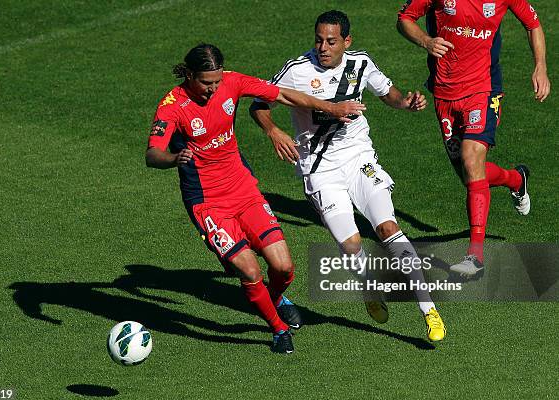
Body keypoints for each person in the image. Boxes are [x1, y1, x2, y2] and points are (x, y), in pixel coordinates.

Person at [146, 43, 364, 353]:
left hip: (243, 189)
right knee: (249, 271)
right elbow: (152, 154)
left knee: (284, 267)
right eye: (207, 83)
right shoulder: (172, 105)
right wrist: (173, 158)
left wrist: (332, 108)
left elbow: (283, 94)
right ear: (191, 76)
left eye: (217, 82)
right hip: (208, 202)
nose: (214, 89)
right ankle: (277, 329)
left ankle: (273, 300)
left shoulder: (232, 82)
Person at [250, 10, 446, 342]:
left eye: (331, 41)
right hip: (320, 169)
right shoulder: (297, 70)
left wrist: (406, 102)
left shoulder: (361, 63)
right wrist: (273, 131)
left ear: (347, 41)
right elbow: (258, 102)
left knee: (388, 228)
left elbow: (388, 93)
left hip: (359, 159)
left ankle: (429, 311)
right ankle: (369, 287)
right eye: (318, 40)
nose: (322, 47)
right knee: (352, 243)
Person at [397, 0, 551, 276]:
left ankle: (475, 256)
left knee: (471, 158)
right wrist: (426, 41)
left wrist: (540, 66)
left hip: (483, 88)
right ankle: (516, 179)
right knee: (470, 175)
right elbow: (405, 19)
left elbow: (533, 24)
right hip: (444, 92)